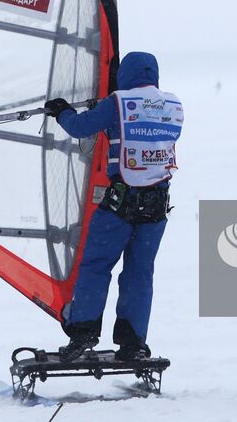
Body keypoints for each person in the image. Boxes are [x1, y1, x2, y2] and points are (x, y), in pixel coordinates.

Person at [45, 51, 182, 362]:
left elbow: (81, 128)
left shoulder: (118, 102)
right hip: (157, 209)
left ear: (125, 75)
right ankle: (133, 344)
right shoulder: (173, 105)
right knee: (139, 273)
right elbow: (139, 132)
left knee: (96, 266)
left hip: (120, 205)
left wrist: (62, 111)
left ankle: (83, 333)